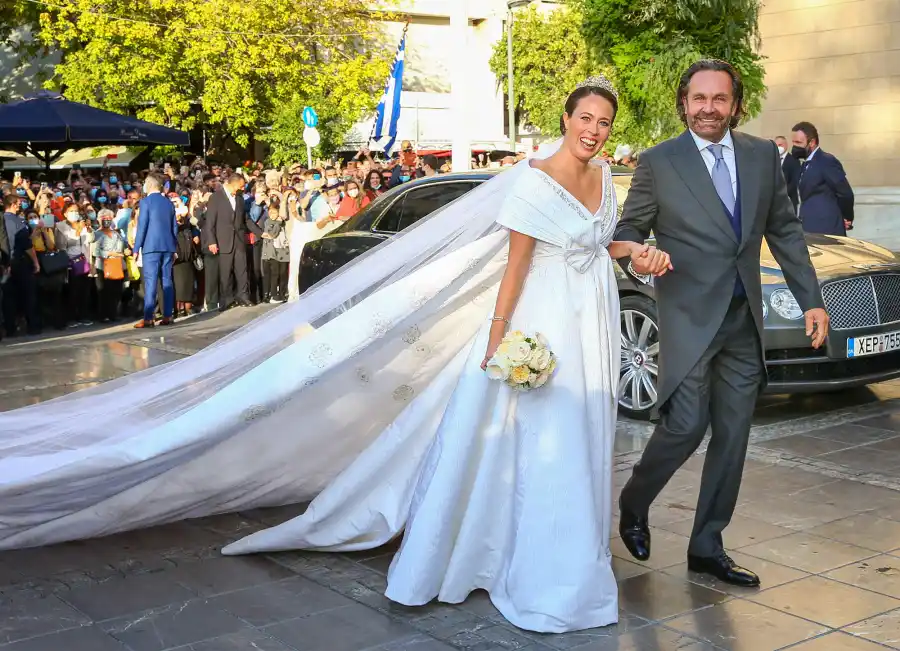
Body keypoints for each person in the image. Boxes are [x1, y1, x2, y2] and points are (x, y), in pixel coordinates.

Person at [0, 76, 671, 635]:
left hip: (594, 321)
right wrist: (498, 339)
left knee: (586, 438)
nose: (594, 129)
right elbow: (517, 266)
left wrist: (631, 250)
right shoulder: (533, 180)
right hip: (545, 323)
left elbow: (589, 243)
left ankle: (574, 559)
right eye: (586, 117)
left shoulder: (605, 179)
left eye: (604, 121)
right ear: (566, 116)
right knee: (545, 442)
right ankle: (542, 571)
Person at [614, 60, 829, 588]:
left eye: (719, 99)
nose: (708, 108)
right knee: (685, 425)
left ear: (736, 105)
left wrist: (811, 299)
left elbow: (784, 229)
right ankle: (634, 500)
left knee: (732, 436)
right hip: (688, 318)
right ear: (684, 102)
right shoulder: (660, 162)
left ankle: (707, 546)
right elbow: (628, 228)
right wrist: (637, 256)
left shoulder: (760, 156)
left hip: (743, 320)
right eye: (698, 98)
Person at [206, 173, 262, 311]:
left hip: (239, 239)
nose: (243, 188)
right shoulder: (216, 197)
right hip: (223, 240)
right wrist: (211, 241)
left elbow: (246, 219)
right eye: (241, 185)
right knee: (225, 272)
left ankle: (243, 296)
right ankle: (227, 299)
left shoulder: (240, 198)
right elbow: (210, 221)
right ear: (234, 183)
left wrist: (260, 232)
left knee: (242, 269)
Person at [791, 121, 854, 235]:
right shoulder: (805, 164)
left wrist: (846, 217)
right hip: (809, 227)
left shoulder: (827, 161)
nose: (795, 146)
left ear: (812, 142)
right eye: (793, 142)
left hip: (826, 229)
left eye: (798, 142)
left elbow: (845, 193)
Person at [133, 173, 178, 328]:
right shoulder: (168, 203)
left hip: (151, 247)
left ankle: (148, 318)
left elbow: (142, 226)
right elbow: (174, 227)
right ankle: (168, 315)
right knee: (167, 280)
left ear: (150, 185)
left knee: (151, 282)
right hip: (168, 246)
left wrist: (136, 247)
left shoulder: (145, 202)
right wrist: (174, 247)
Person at [2, 193, 41, 336]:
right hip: (20, 262)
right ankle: (33, 327)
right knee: (29, 295)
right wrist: (36, 263)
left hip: (5, 263)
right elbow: (27, 245)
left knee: (8, 298)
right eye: (18, 203)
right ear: (13, 204)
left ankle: (10, 329)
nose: (20, 206)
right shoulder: (18, 222)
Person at [91, 209, 129, 323]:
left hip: (117, 264)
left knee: (116, 291)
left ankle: (113, 313)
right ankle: (103, 315)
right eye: (104, 219)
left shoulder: (116, 234)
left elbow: (122, 246)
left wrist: (125, 251)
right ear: (99, 220)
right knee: (103, 292)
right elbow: (95, 252)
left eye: (109, 218)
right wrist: (109, 254)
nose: (107, 220)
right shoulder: (96, 234)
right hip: (103, 266)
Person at [774, 135, 801, 213]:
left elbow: (794, 182)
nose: (778, 147)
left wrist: (781, 194)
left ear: (786, 145)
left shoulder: (794, 161)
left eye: (780, 145)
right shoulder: (773, 161)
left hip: (789, 202)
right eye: (776, 145)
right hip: (776, 205)